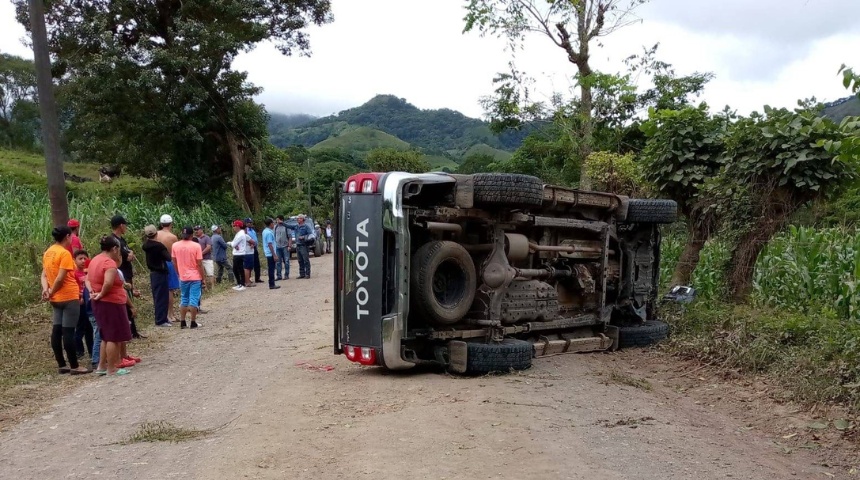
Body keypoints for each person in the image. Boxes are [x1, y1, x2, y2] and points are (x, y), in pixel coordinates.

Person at [41, 226, 91, 375]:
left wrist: (46, 290)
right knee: (68, 331)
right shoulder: (64, 254)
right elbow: (61, 278)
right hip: (68, 297)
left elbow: (44, 275)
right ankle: (75, 366)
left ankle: (62, 364)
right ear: (68, 236)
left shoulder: (48, 252)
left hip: (55, 299)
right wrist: (51, 291)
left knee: (57, 330)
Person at [89, 235, 132, 376]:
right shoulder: (109, 263)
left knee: (106, 335)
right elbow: (108, 283)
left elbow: (88, 280)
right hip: (111, 302)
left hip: (100, 302)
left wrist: (94, 293)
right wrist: (102, 293)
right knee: (114, 336)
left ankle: (102, 366)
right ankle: (112, 368)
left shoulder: (95, 260)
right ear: (114, 248)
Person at [172, 226, 205, 329]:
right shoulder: (196, 246)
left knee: (184, 298)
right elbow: (199, 263)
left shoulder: (175, 245)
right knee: (194, 299)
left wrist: (178, 272)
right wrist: (202, 277)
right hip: (195, 276)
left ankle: (182, 322)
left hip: (183, 277)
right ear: (192, 235)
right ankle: (193, 322)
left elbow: (174, 261)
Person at [142, 224, 172, 327]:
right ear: (156, 233)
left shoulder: (146, 246)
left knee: (157, 296)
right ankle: (161, 320)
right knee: (162, 297)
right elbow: (168, 258)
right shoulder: (159, 246)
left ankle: (162, 318)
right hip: (161, 272)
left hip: (153, 273)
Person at [72, 250, 95, 363]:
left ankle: (91, 350)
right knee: (80, 328)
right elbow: (74, 288)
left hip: (88, 302)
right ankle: (79, 351)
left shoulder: (88, 272)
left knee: (89, 328)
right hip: (80, 303)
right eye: (80, 259)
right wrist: (79, 296)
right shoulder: (74, 273)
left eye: (85, 258)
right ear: (74, 261)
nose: (83, 261)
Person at [156, 214, 180, 321]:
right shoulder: (172, 237)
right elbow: (176, 253)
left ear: (161, 224)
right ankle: (170, 314)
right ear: (171, 224)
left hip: (157, 263)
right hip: (169, 262)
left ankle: (163, 314)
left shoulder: (156, 234)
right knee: (170, 290)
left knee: (162, 290)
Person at [228, 220, 248, 290]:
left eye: (234, 226)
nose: (233, 227)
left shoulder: (240, 234)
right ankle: (239, 283)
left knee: (239, 269)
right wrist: (232, 243)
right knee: (236, 269)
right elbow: (234, 243)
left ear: (238, 226)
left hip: (239, 254)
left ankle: (242, 284)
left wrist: (229, 243)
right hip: (237, 253)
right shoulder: (238, 233)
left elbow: (233, 244)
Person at [194, 226, 215, 291]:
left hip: (207, 258)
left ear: (201, 230)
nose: (196, 231)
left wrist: (200, 254)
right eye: (195, 230)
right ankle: (205, 288)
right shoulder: (195, 239)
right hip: (199, 259)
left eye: (197, 230)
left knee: (210, 273)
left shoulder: (206, 237)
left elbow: (208, 247)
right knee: (201, 274)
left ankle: (213, 288)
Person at [262, 218, 281, 290]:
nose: (274, 224)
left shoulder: (265, 231)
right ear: (270, 224)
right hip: (270, 253)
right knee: (271, 269)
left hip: (268, 253)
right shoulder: (269, 233)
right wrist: (274, 255)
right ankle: (272, 284)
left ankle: (271, 283)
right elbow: (270, 244)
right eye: (273, 223)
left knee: (271, 268)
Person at [295, 214, 315, 279]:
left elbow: (311, 235)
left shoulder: (306, 227)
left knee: (306, 260)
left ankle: (307, 274)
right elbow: (289, 226)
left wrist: (303, 237)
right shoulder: (296, 226)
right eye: (298, 218)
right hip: (298, 245)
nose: (298, 219)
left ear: (303, 219)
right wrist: (283, 223)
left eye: (299, 218)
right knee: (300, 260)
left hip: (304, 245)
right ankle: (302, 274)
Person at [245, 218, 262, 283]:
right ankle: (248, 279)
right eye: (249, 222)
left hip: (255, 248)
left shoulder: (253, 230)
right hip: (249, 249)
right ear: (246, 223)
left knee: (257, 264)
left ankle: (257, 278)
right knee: (250, 265)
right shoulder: (246, 231)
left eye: (251, 222)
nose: (250, 223)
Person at [273, 215, 290, 280]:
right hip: (278, 246)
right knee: (278, 262)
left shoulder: (286, 226)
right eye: (276, 220)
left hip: (285, 246)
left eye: (278, 220)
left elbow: (290, 237)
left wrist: (289, 245)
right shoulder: (275, 227)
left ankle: (286, 275)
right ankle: (279, 275)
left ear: (282, 220)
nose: (277, 221)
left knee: (286, 261)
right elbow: (274, 236)